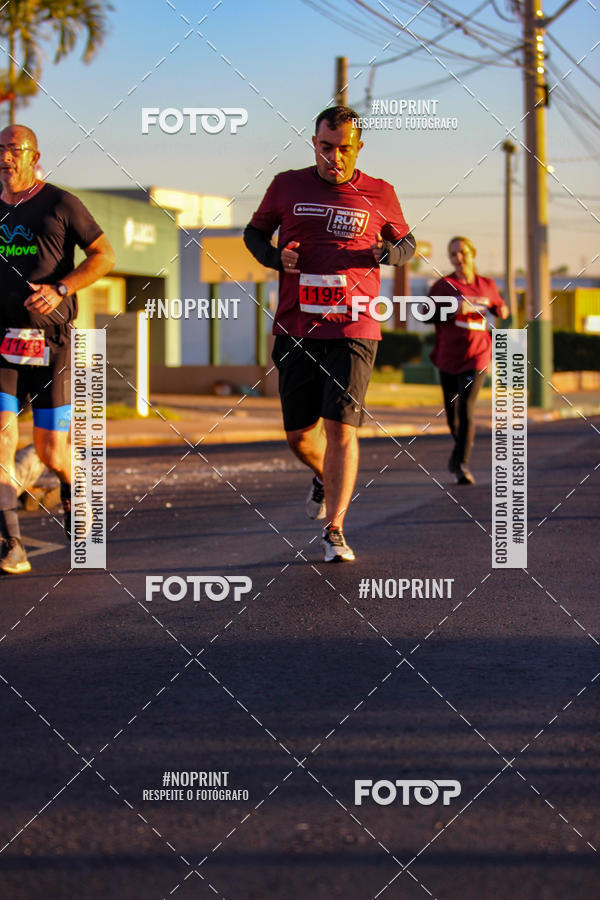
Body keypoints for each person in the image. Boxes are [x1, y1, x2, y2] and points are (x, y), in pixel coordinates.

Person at [244, 106, 415, 562]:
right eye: (325, 147)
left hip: (355, 325)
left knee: (342, 426)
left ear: (358, 147)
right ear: (314, 143)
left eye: (343, 148)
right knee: (300, 436)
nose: (333, 158)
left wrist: (387, 252)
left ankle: (334, 527)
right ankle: (322, 475)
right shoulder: (287, 185)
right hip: (297, 324)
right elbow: (255, 234)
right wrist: (276, 258)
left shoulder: (381, 193)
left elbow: (407, 244)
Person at [0, 124, 115, 574]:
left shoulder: (60, 202)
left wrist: (61, 288)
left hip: (51, 342)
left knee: (49, 451)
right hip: (1, 342)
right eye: (1, 149)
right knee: (3, 438)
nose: (6, 157)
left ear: (33, 155)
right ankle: (11, 544)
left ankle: (73, 488)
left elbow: (104, 255)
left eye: (15, 149)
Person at [428, 236, 509, 485]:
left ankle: (462, 465)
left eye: (462, 252)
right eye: (453, 255)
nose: (458, 258)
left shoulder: (487, 285)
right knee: (452, 415)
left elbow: (497, 305)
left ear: (473, 254)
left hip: (478, 355)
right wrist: (454, 309)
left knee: (466, 409)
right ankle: (457, 453)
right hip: (448, 357)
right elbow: (424, 313)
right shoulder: (444, 286)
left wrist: (502, 310)